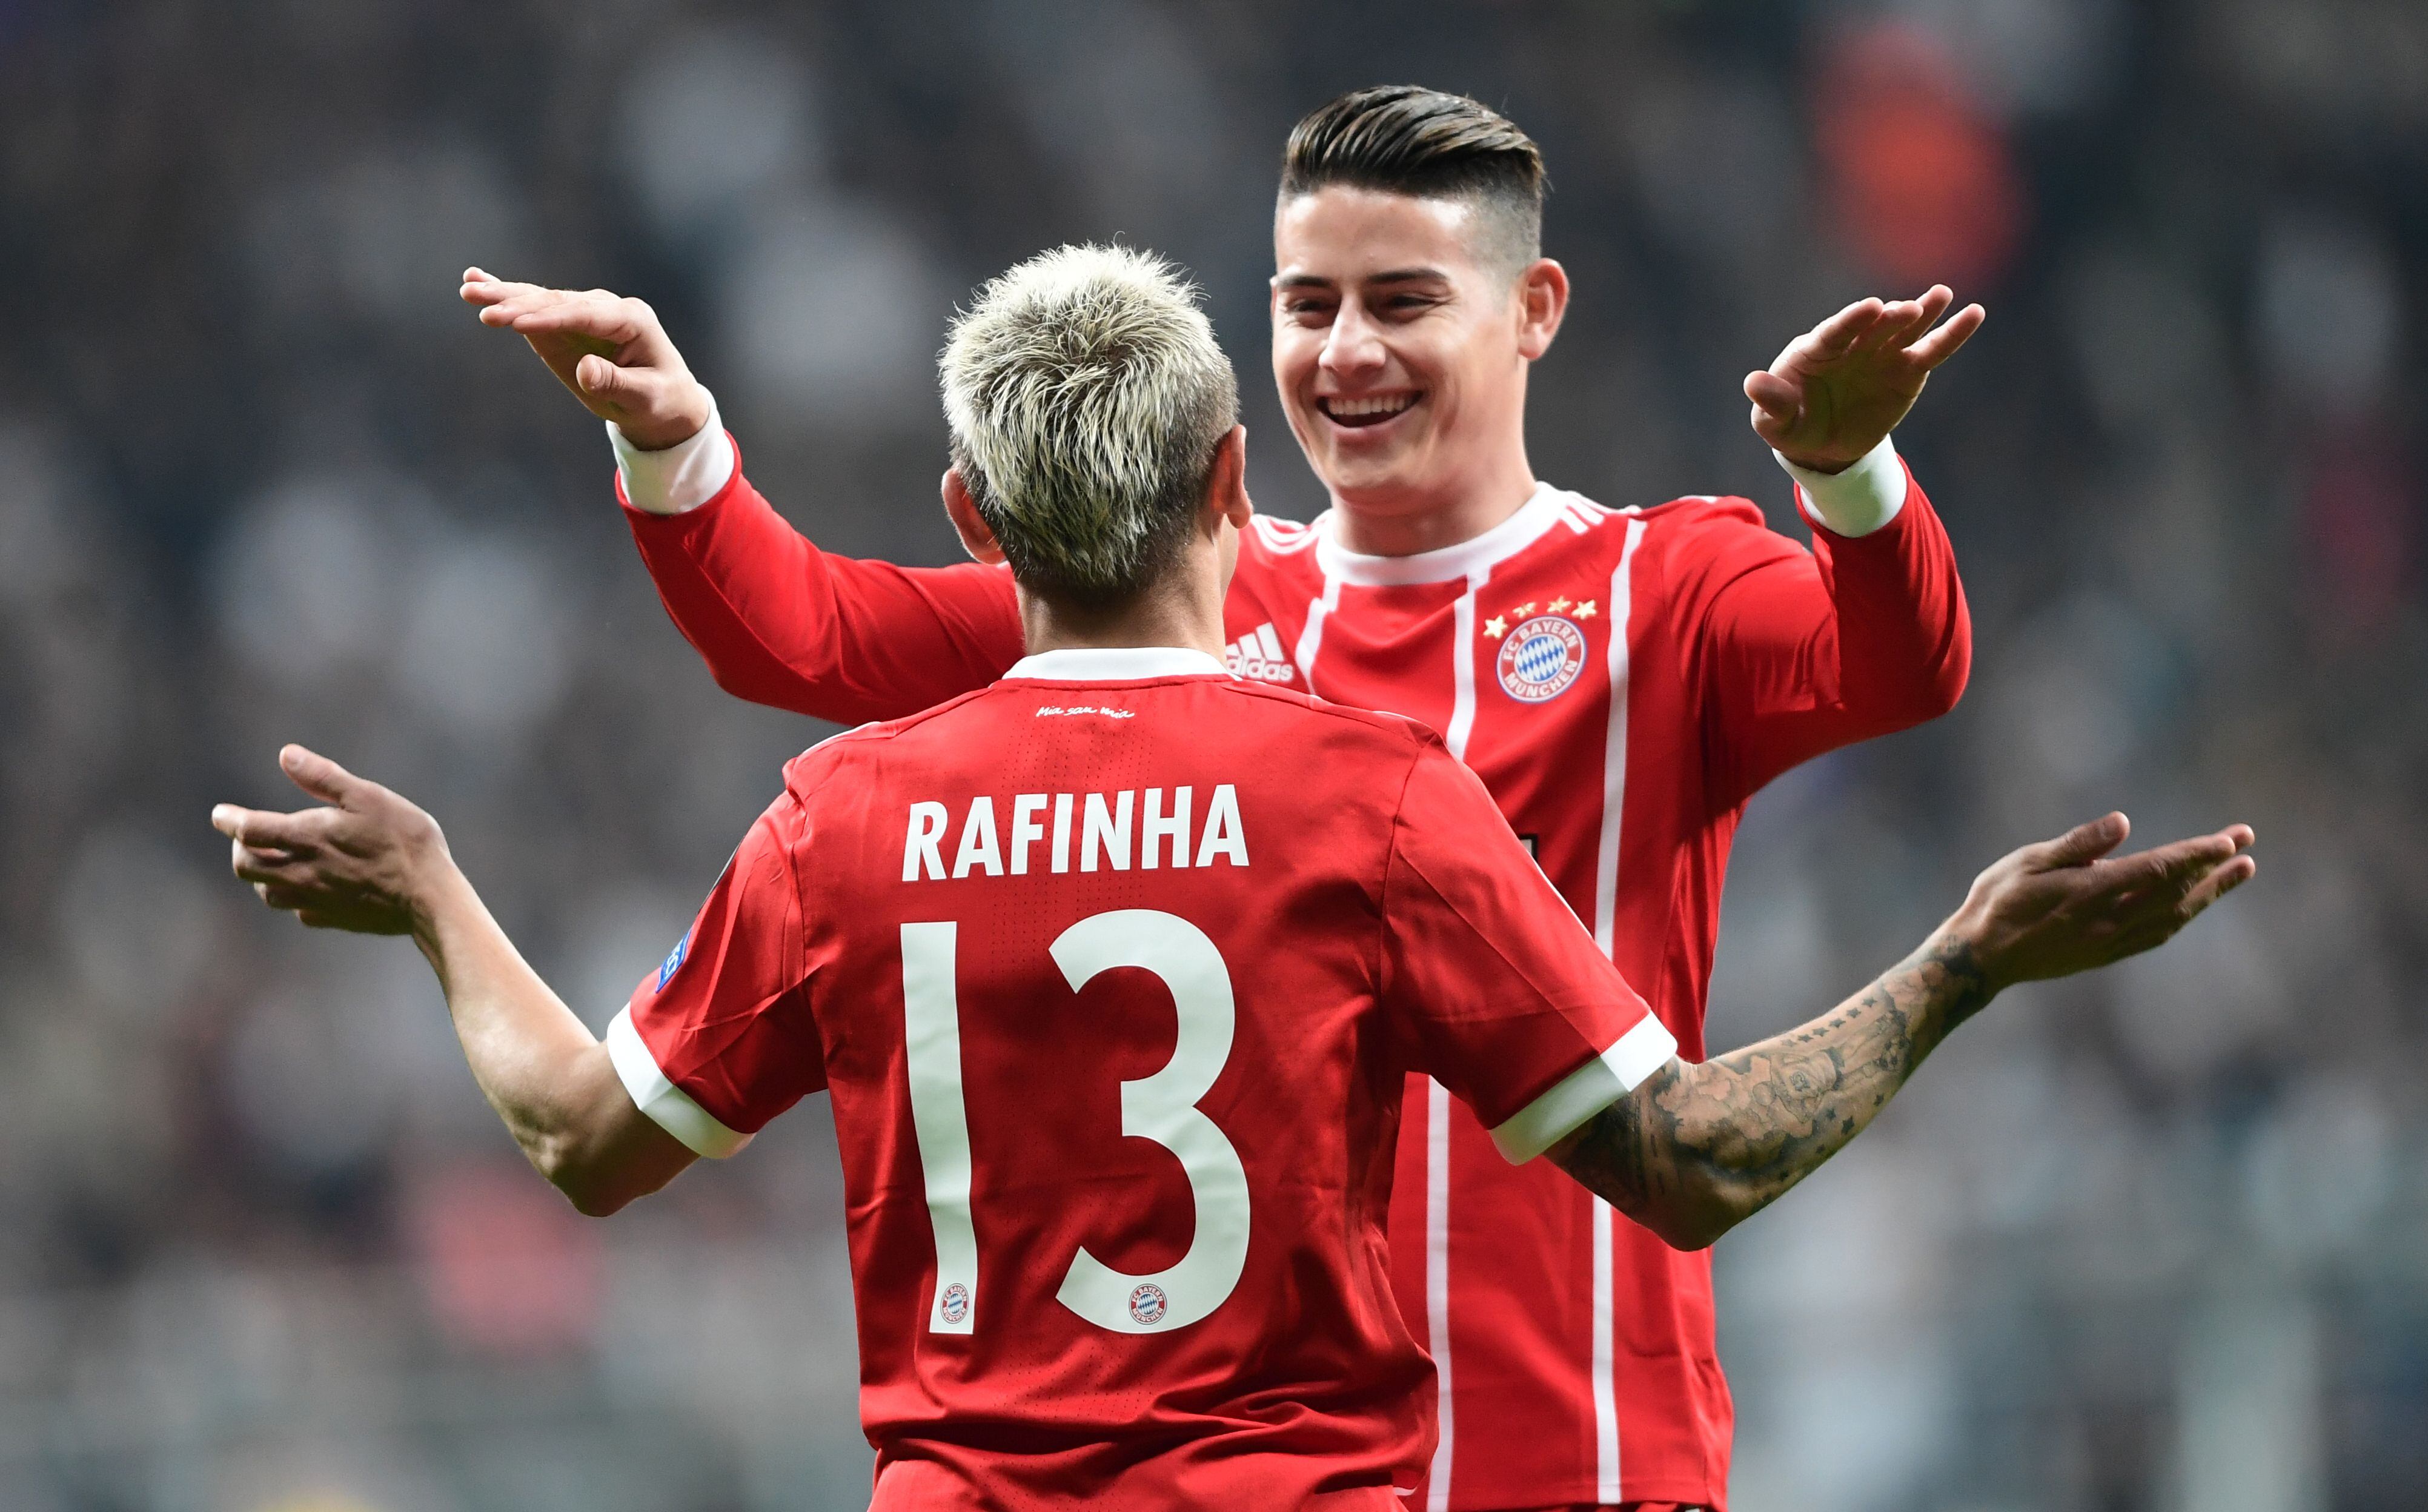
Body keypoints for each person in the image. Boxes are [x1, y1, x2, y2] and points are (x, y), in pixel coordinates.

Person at [230, 247, 2249, 1510]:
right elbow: (1691, 1159)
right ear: (1225, 481)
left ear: (968, 513)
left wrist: (427, 885)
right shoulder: (1360, 797)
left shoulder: (841, 817)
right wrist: (1959, 964)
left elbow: (583, 1135)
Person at [461, 87, 1984, 1510]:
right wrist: (672, 444)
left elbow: (1899, 669)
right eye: (1305, 304)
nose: (1345, 352)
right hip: (1292, 1459)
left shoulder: (1665, 590)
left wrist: (1851, 476)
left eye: (1402, 303)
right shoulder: (1174, 599)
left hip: (1573, 1444)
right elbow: (808, 633)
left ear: (1534, 312)